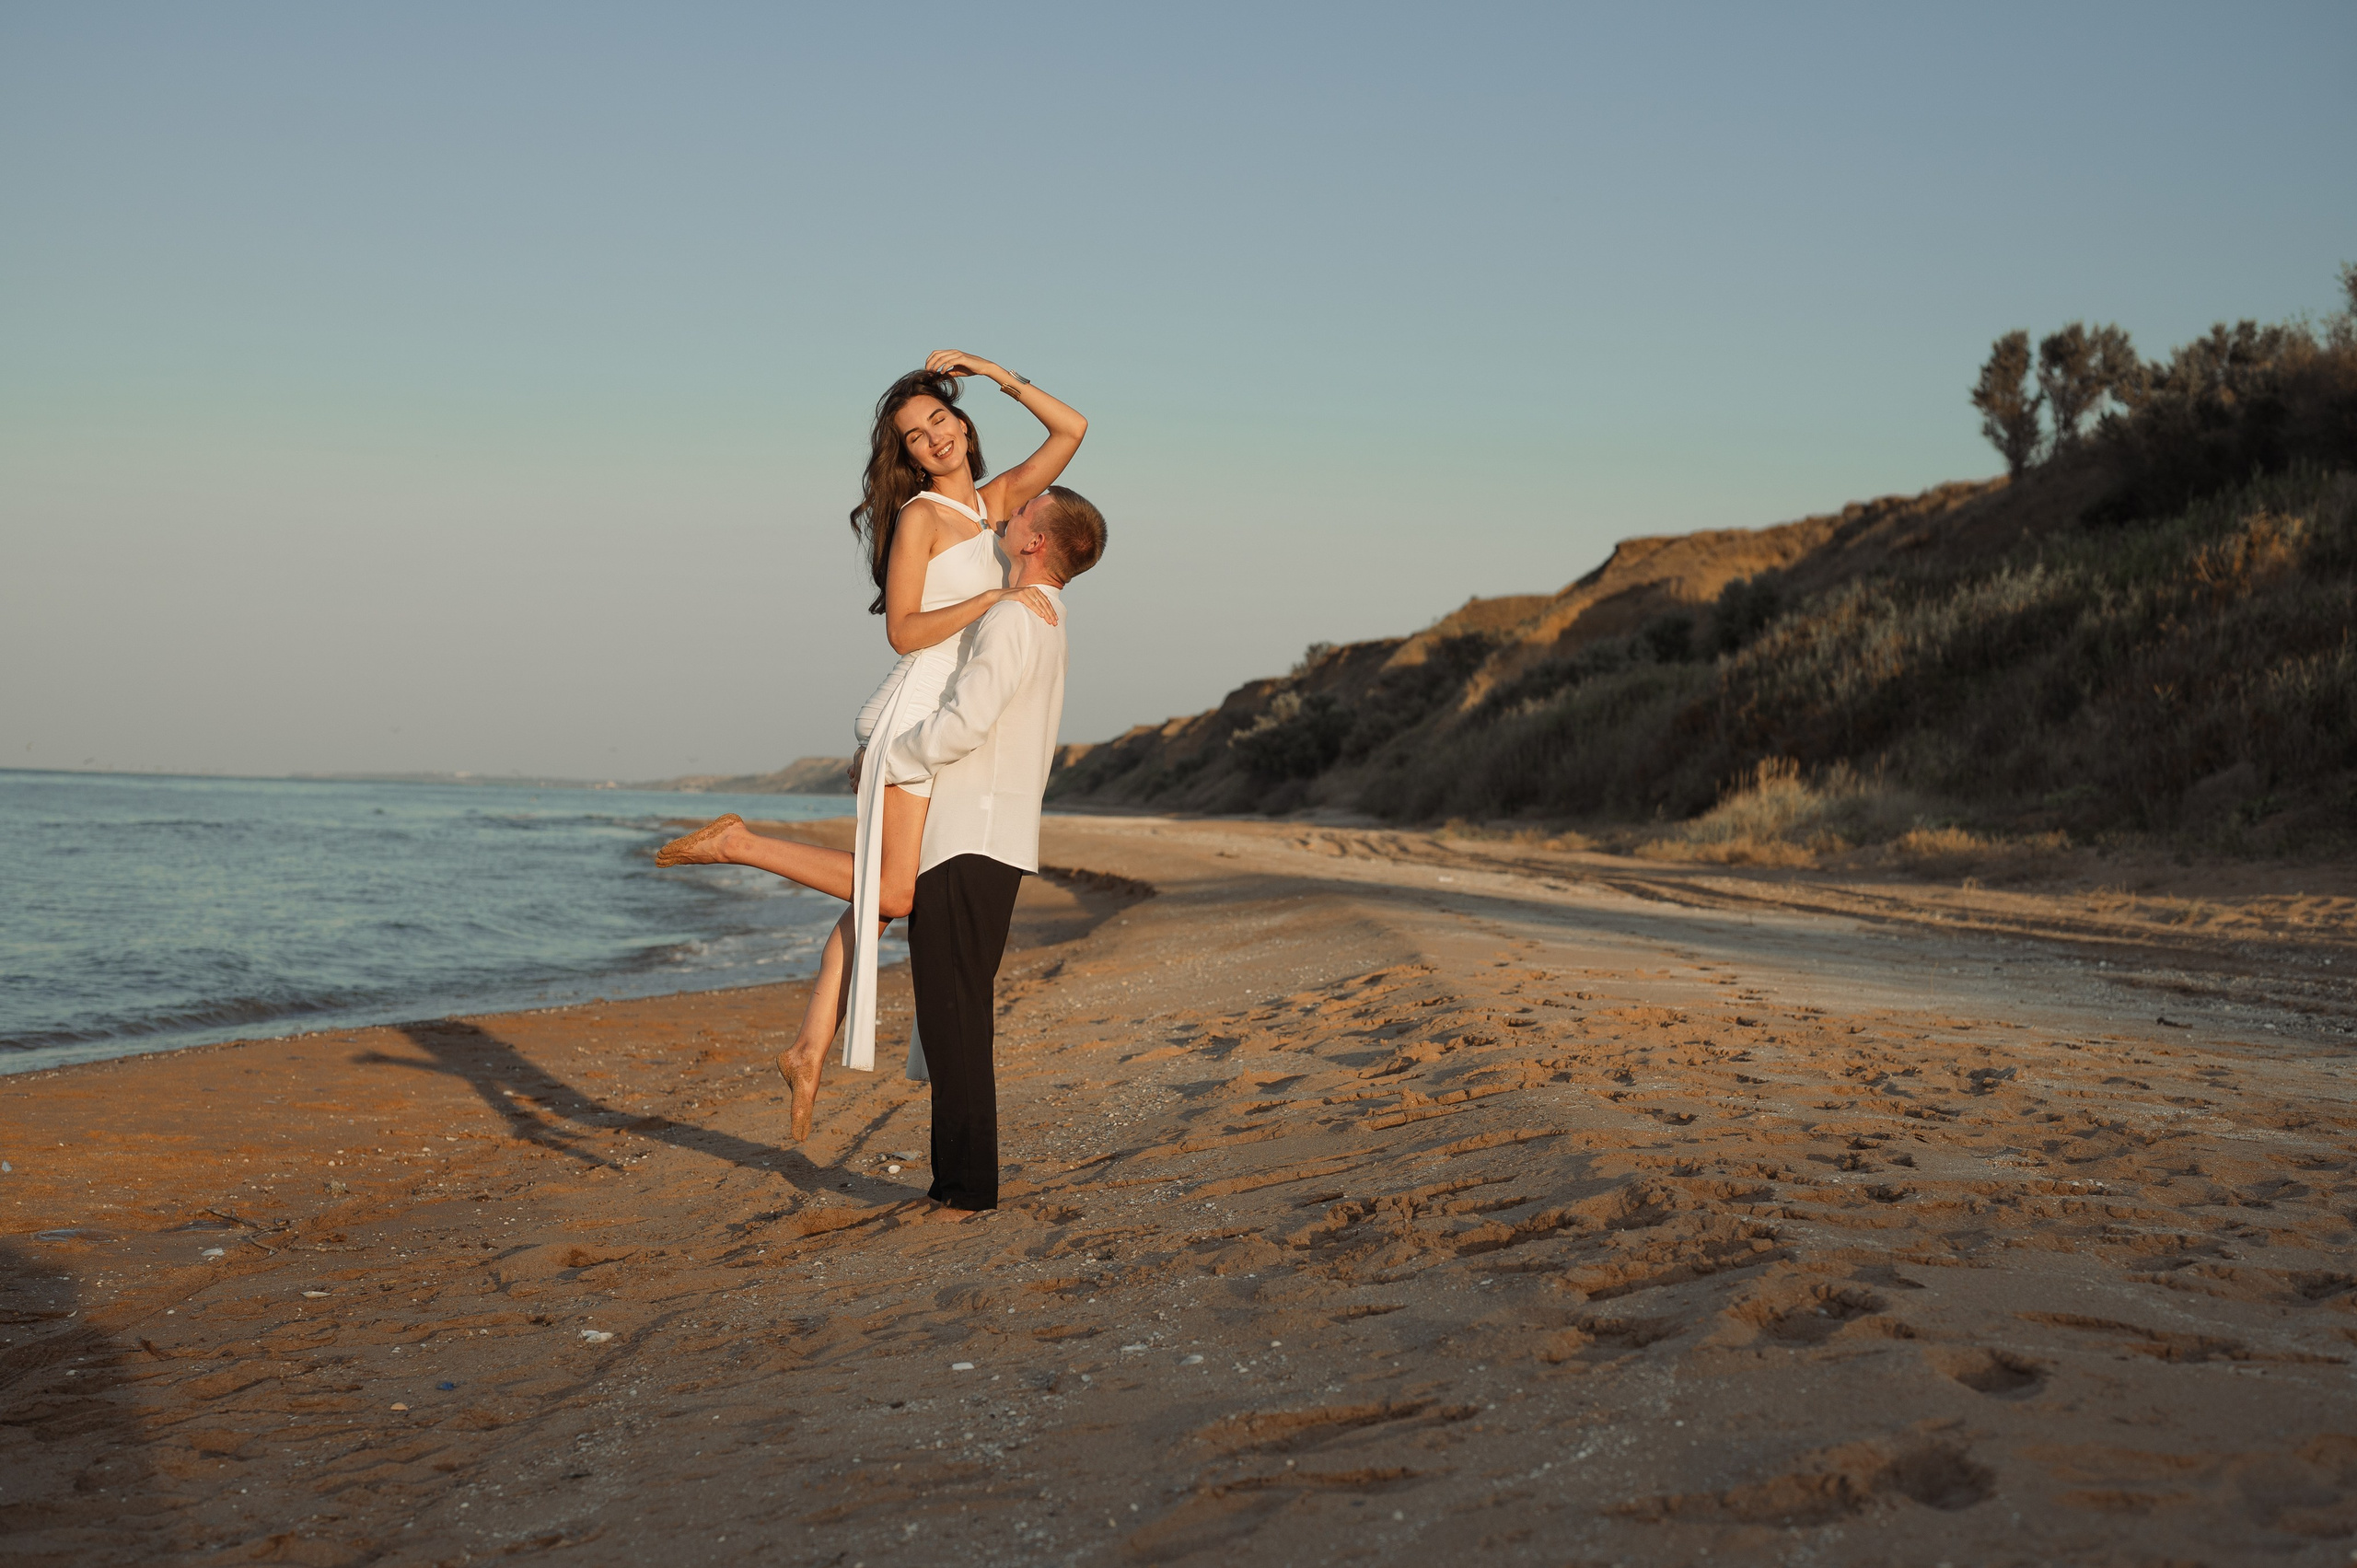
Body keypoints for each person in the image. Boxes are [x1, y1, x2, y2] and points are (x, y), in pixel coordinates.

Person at [653, 352, 1086, 1142]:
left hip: (943, 711)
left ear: (963, 423)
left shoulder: (1001, 505)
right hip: (917, 702)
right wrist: (997, 594)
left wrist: (993, 369)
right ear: (907, 457)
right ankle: (739, 841)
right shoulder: (921, 518)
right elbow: (905, 629)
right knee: (892, 894)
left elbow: (1073, 429)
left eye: (940, 421)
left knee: (879, 902)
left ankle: (809, 1045)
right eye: (915, 438)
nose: (933, 440)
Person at [880, 482, 1105, 1214]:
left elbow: (963, 723)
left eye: (1024, 512)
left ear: (1036, 542)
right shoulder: (1045, 620)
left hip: (968, 838)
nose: (1010, 513)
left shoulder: (1015, 620)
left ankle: (965, 1190)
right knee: (962, 1015)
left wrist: (890, 756)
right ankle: (962, 1183)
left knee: (954, 1020)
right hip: (993, 839)